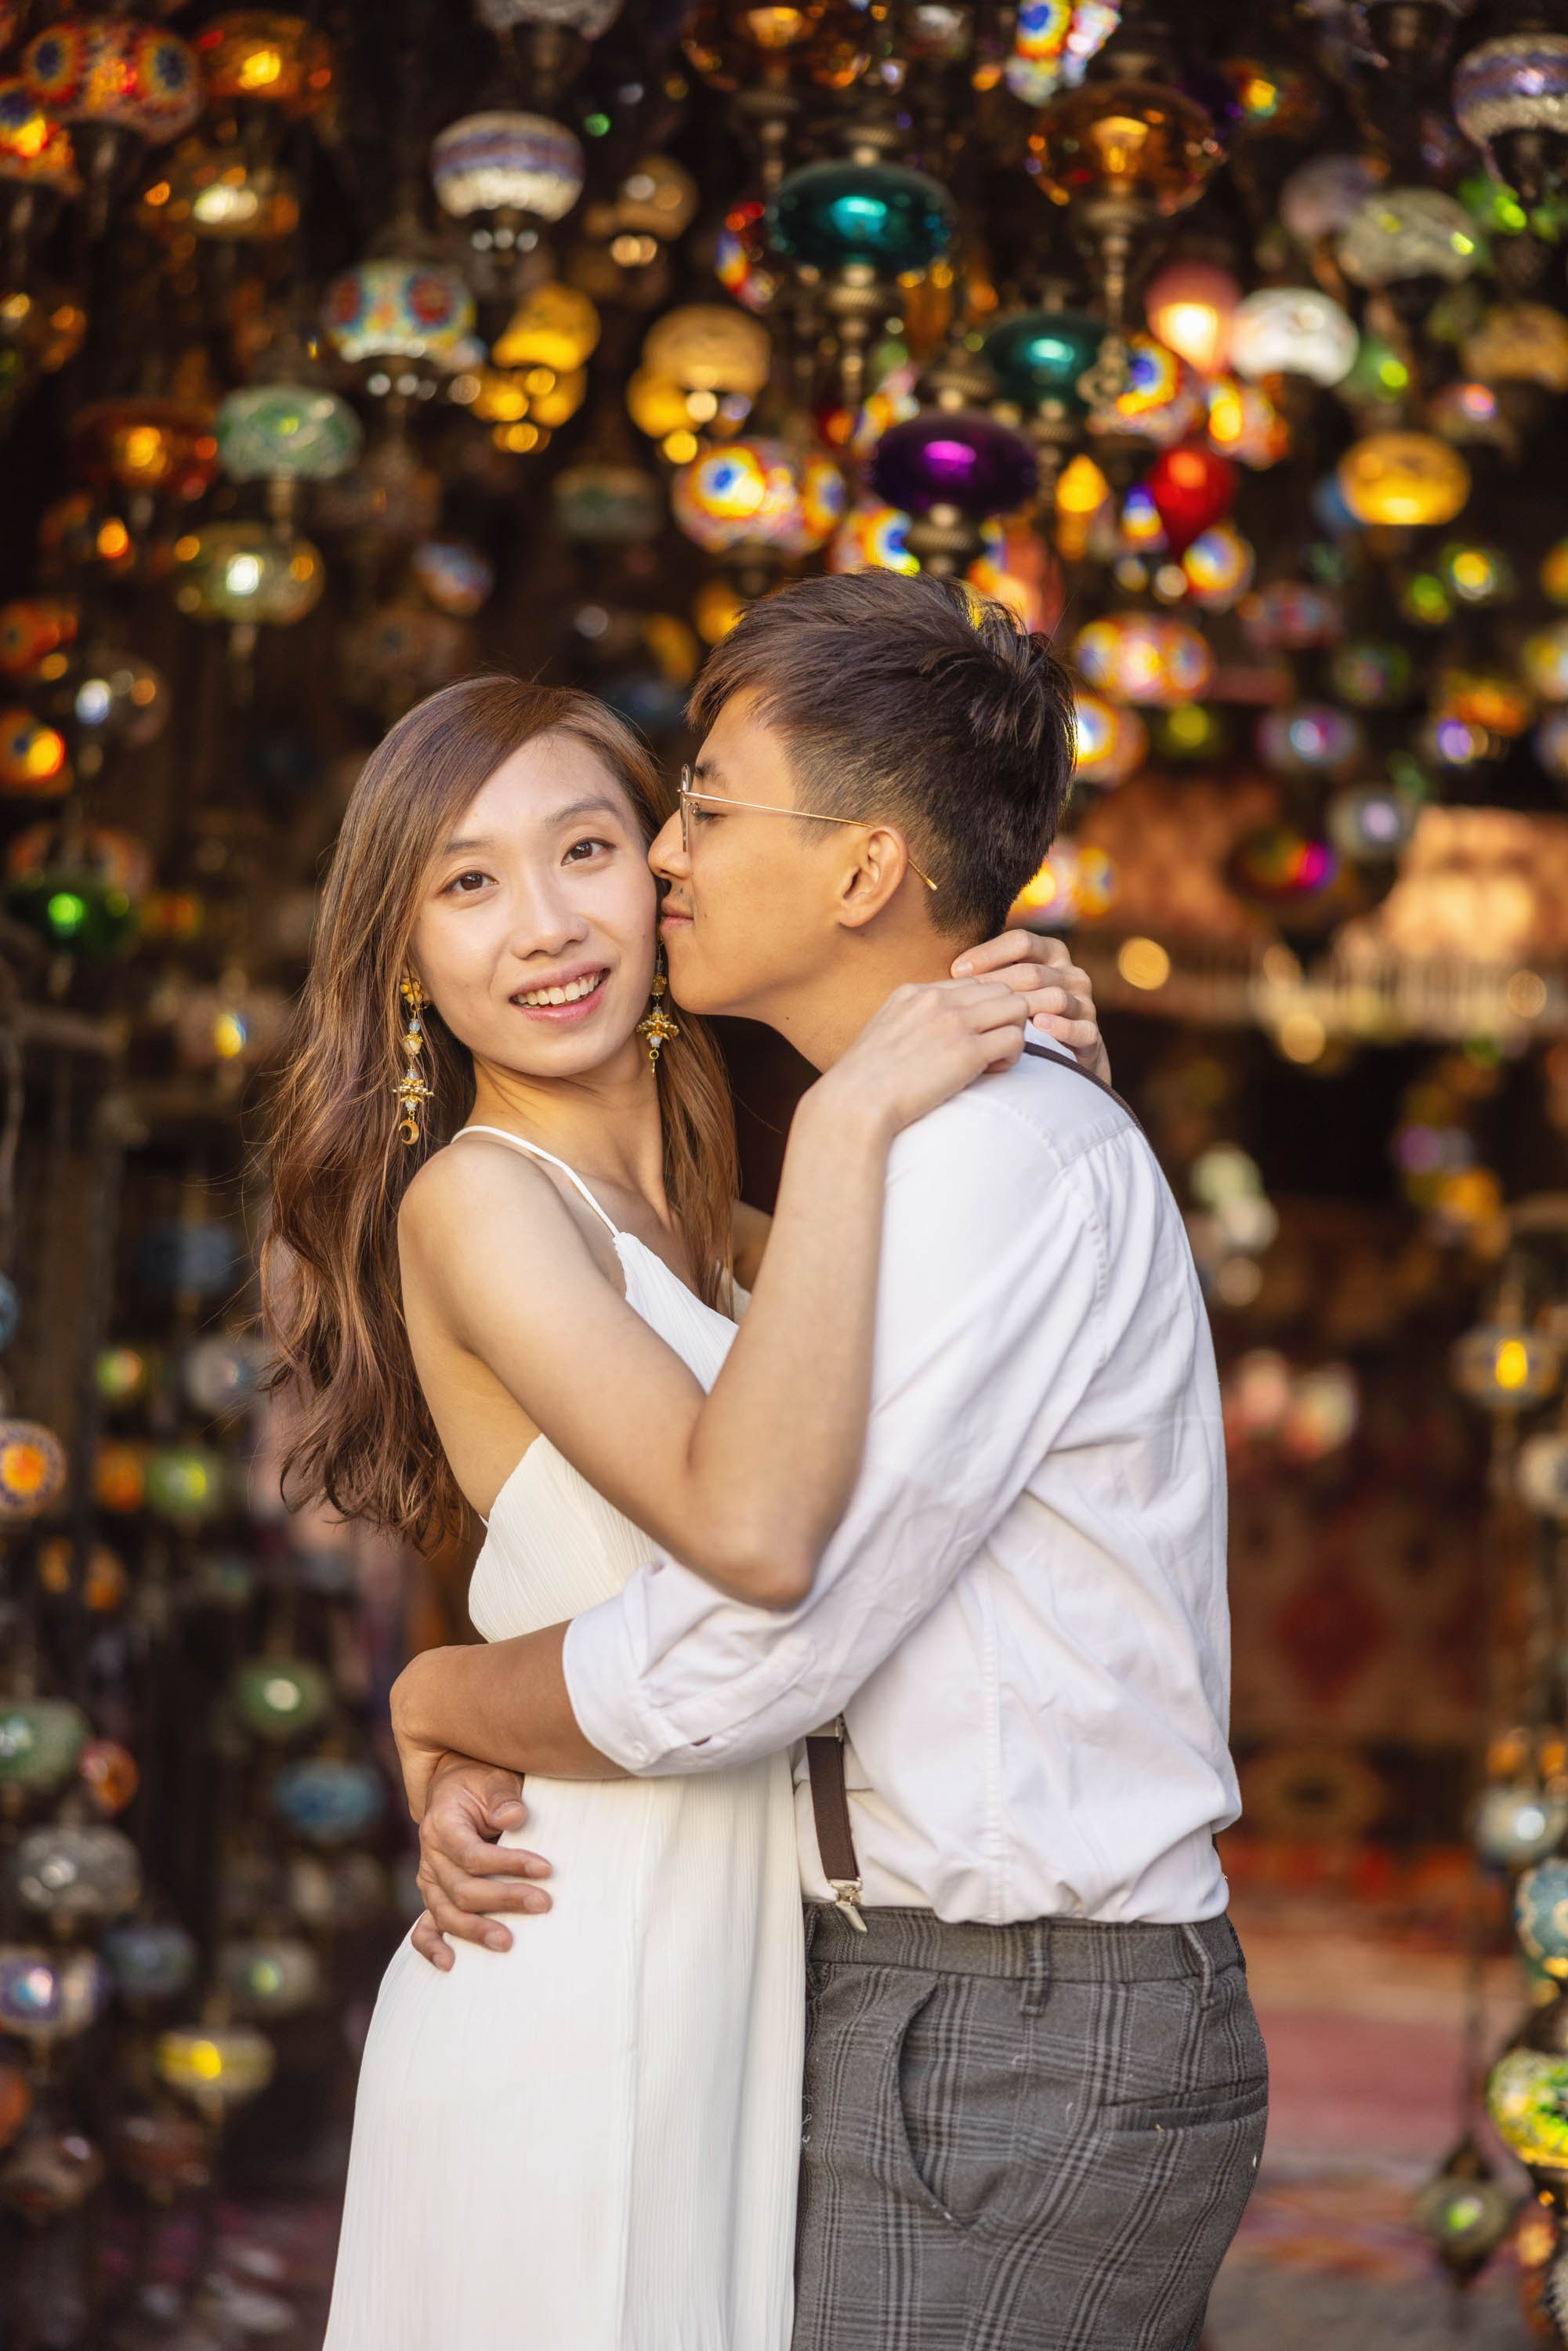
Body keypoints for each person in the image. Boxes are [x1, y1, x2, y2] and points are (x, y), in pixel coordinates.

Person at [397, 571, 1266, 2351]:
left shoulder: (969, 1161)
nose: (653, 870)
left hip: (1006, 2023)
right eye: (469, 880)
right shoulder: (850, 1178)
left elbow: (757, 1640)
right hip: (793, 1980)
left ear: (864, 871)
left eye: (686, 814)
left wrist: (446, 1695)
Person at [262, 651, 1105, 2351]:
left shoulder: (715, 1234)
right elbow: (748, 1527)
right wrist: (867, 1093)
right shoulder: (477, 1208)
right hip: (570, 1961)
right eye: (468, 885)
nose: (546, 927)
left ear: (661, 879)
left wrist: (1019, 1042)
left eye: (584, 853)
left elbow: (954, 1381)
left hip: (736, 1966)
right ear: (408, 961)